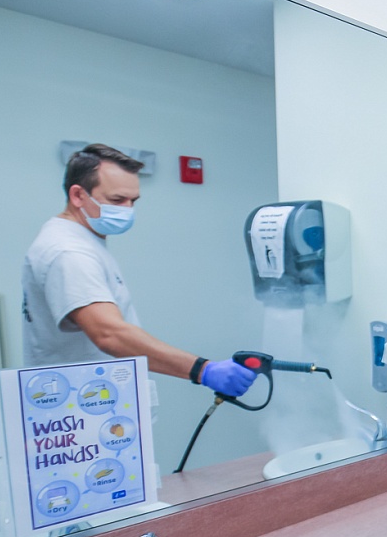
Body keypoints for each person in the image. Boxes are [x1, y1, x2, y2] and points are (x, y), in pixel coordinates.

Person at [22, 143, 256, 397]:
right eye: (116, 200)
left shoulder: (81, 240)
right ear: (78, 195)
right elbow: (109, 334)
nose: (127, 210)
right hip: (80, 411)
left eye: (133, 201)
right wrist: (203, 370)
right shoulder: (69, 252)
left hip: (94, 404)